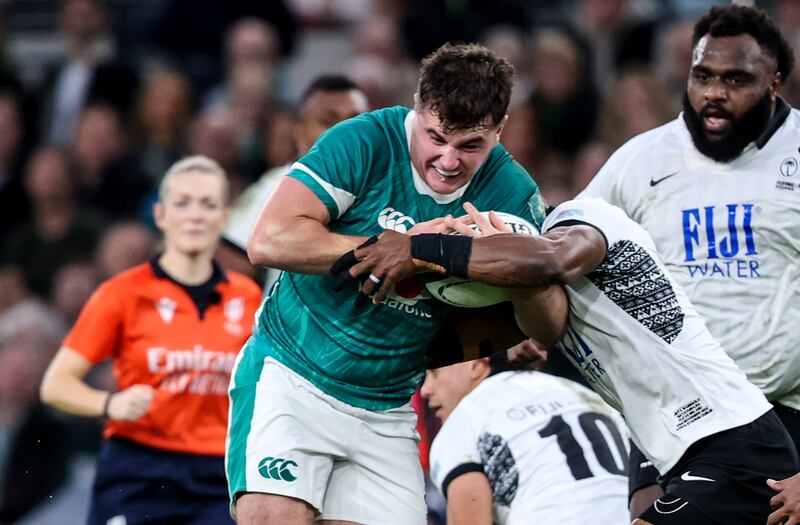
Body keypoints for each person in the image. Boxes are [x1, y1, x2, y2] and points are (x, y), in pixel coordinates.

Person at [228, 43, 566, 524]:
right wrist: (384, 246)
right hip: (292, 377)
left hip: (386, 408)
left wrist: (516, 274)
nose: (448, 161)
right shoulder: (365, 140)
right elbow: (269, 240)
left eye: (470, 146)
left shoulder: (512, 194)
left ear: (500, 129)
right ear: (417, 107)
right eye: (436, 138)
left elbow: (547, 327)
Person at [342, 197, 799, 524]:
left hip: (732, 441)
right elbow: (538, 314)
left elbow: (549, 261)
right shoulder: (550, 303)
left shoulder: (582, 216)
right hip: (681, 456)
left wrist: (424, 250)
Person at [577, 5, 800, 521]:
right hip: (673, 406)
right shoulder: (640, 160)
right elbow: (568, 241)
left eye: (735, 79)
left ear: (774, 82)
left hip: (782, 409)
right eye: (703, 76)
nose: (714, 93)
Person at [39, 156, 262, 525]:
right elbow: (55, 386)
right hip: (137, 470)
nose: (195, 215)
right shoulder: (122, 293)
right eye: (182, 203)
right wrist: (110, 403)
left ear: (224, 218)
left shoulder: (249, 298)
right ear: (160, 215)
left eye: (208, 204)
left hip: (218, 476)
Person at [422, 352, 629, 524]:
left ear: (475, 364)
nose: (425, 390)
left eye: (433, 373)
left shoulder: (466, 416)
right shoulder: (582, 394)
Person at [218, 74, 369, 283]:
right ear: (298, 132)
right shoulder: (278, 185)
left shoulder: (392, 184)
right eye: (328, 121)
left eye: (355, 121)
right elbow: (232, 263)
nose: (343, 131)